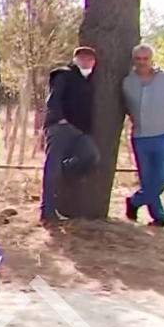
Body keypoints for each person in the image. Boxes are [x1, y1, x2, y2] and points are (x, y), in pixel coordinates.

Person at [41, 45, 101, 224]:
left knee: (91, 155)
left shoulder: (90, 80)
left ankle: (66, 170)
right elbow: (53, 99)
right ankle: (47, 211)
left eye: (90, 58)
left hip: (79, 131)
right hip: (60, 128)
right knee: (52, 168)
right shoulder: (63, 74)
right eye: (82, 58)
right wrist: (60, 120)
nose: (86, 61)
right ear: (75, 59)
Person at [122, 43, 164, 228]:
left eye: (145, 59)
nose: (142, 62)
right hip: (140, 136)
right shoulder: (127, 82)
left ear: (152, 59)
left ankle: (135, 201)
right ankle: (158, 217)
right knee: (147, 178)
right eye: (138, 59)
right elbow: (126, 107)